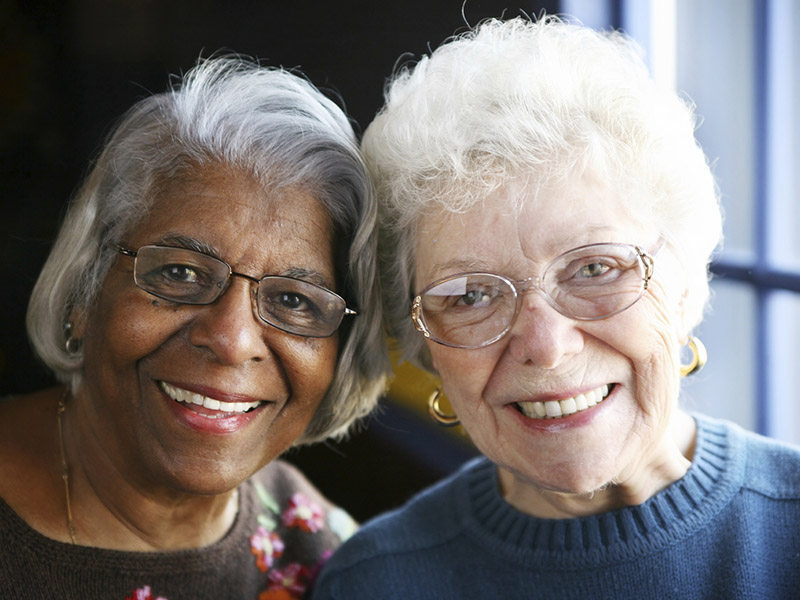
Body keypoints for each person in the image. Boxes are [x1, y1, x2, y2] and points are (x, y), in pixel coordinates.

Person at [312, 16, 800, 599]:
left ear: (686, 282)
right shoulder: (374, 583)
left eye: (594, 269)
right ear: (424, 346)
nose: (546, 347)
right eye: (470, 295)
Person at [0, 56, 389, 599]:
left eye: (293, 300)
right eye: (180, 272)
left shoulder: (327, 562)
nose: (232, 340)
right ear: (84, 290)